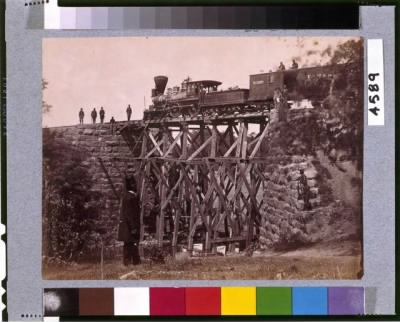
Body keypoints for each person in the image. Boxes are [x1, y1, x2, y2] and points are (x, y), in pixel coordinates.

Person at [117, 176, 141, 266]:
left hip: (128, 226)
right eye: (134, 185)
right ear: (131, 185)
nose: (136, 186)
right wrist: (133, 227)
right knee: (130, 244)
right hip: (129, 226)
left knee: (130, 244)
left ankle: (134, 262)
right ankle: (130, 262)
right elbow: (129, 214)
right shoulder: (130, 198)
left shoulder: (127, 196)